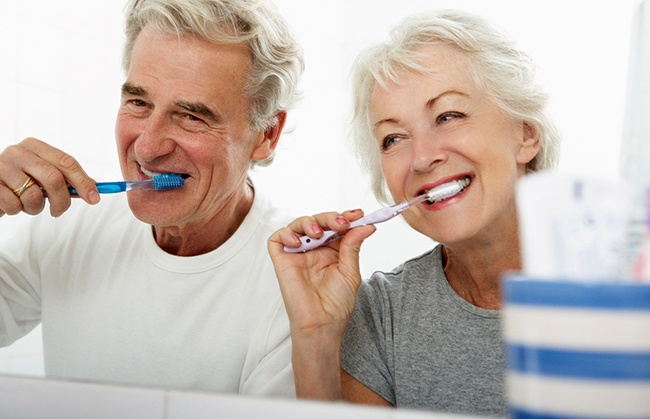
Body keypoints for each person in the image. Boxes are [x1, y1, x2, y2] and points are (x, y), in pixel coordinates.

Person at [0, 0, 303, 397]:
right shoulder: (72, 226)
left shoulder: (296, 286)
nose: (146, 147)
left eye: (192, 116)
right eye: (138, 103)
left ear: (266, 134)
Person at [268, 9, 560, 416]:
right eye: (393, 138)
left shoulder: (624, 281)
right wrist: (315, 337)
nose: (422, 158)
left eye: (448, 116)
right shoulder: (379, 312)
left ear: (525, 134)